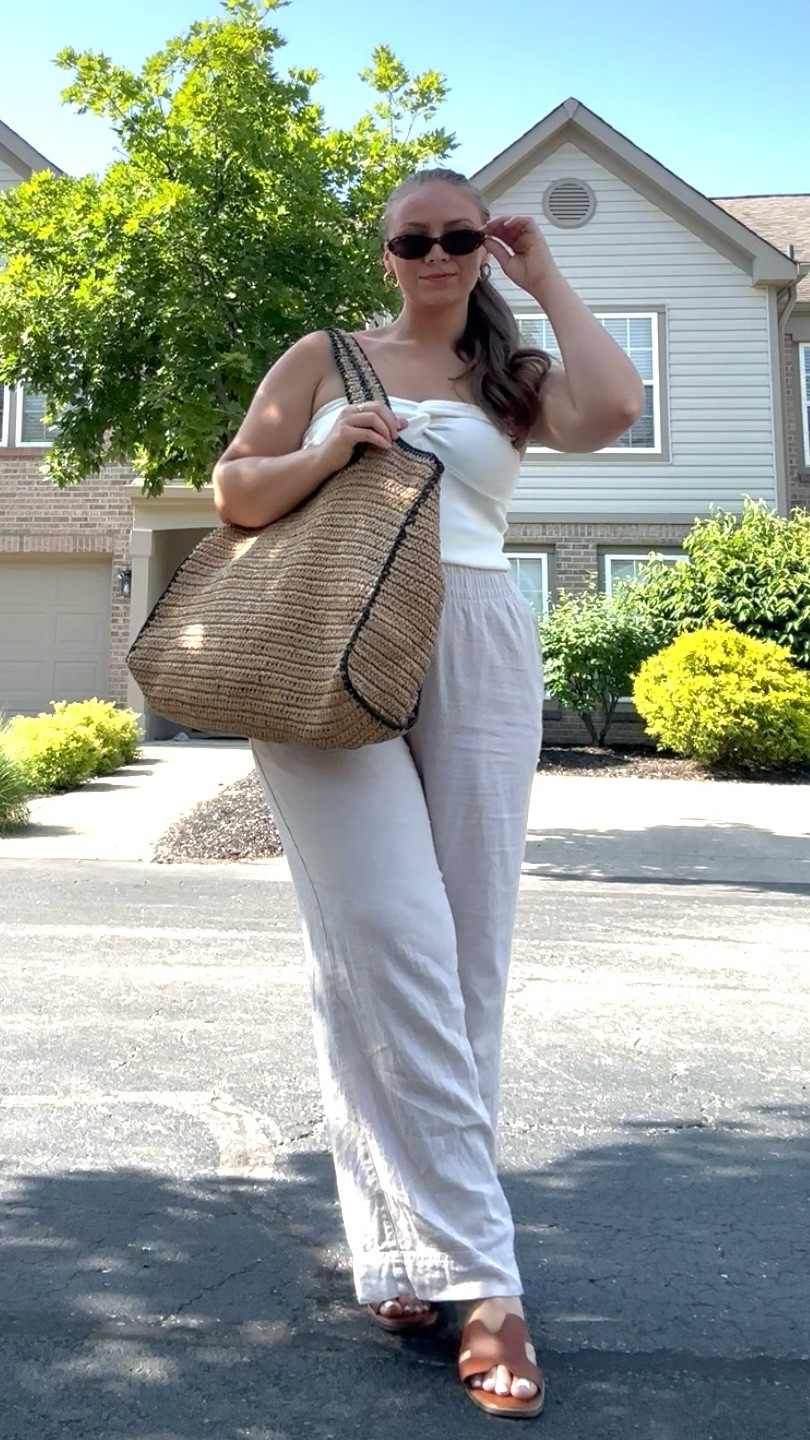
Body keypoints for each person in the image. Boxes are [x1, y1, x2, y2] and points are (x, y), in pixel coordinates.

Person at [212, 168, 643, 1419]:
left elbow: (613, 407)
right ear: (388, 249)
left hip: (477, 640)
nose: (441, 252)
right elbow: (235, 491)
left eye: (463, 235)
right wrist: (323, 444)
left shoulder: (511, 377)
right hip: (325, 642)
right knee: (389, 939)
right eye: (421, 237)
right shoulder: (327, 355)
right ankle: (489, 1287)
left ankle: (402, 1251)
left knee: (460, 965)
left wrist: (541, 273)